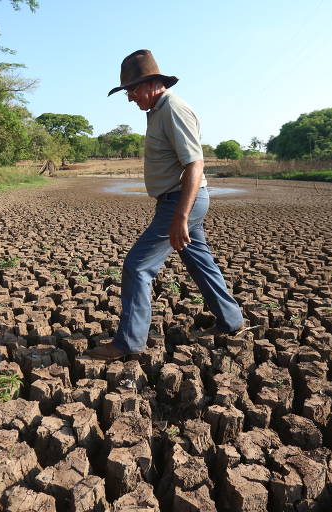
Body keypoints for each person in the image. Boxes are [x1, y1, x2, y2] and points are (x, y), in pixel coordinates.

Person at [87, 49, 244, 361]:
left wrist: (180, 216)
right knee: (199, 261)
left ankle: (127, 344)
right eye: (127, 91)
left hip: (182, 200)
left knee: (138, 265)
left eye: (132, 90)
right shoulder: (157, 110)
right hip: (174, 201)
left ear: (152, 84)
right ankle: (231, 321)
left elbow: (196, 165)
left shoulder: (173, 108)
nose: (130, 98)